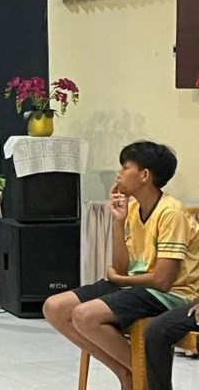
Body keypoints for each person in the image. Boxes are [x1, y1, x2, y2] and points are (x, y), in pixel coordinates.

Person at [43, 141, 199, 390]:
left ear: (144, 175)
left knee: (85, 315)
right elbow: (121, 267)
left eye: (125, 167)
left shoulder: (171, 213)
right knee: (55, 308)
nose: (118, 174)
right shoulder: (134, 207)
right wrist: (118, 221)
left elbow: (162, 281)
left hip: (169, 294)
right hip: (137, 286)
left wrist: (120, 280)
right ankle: (128, 374)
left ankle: (141, 377)